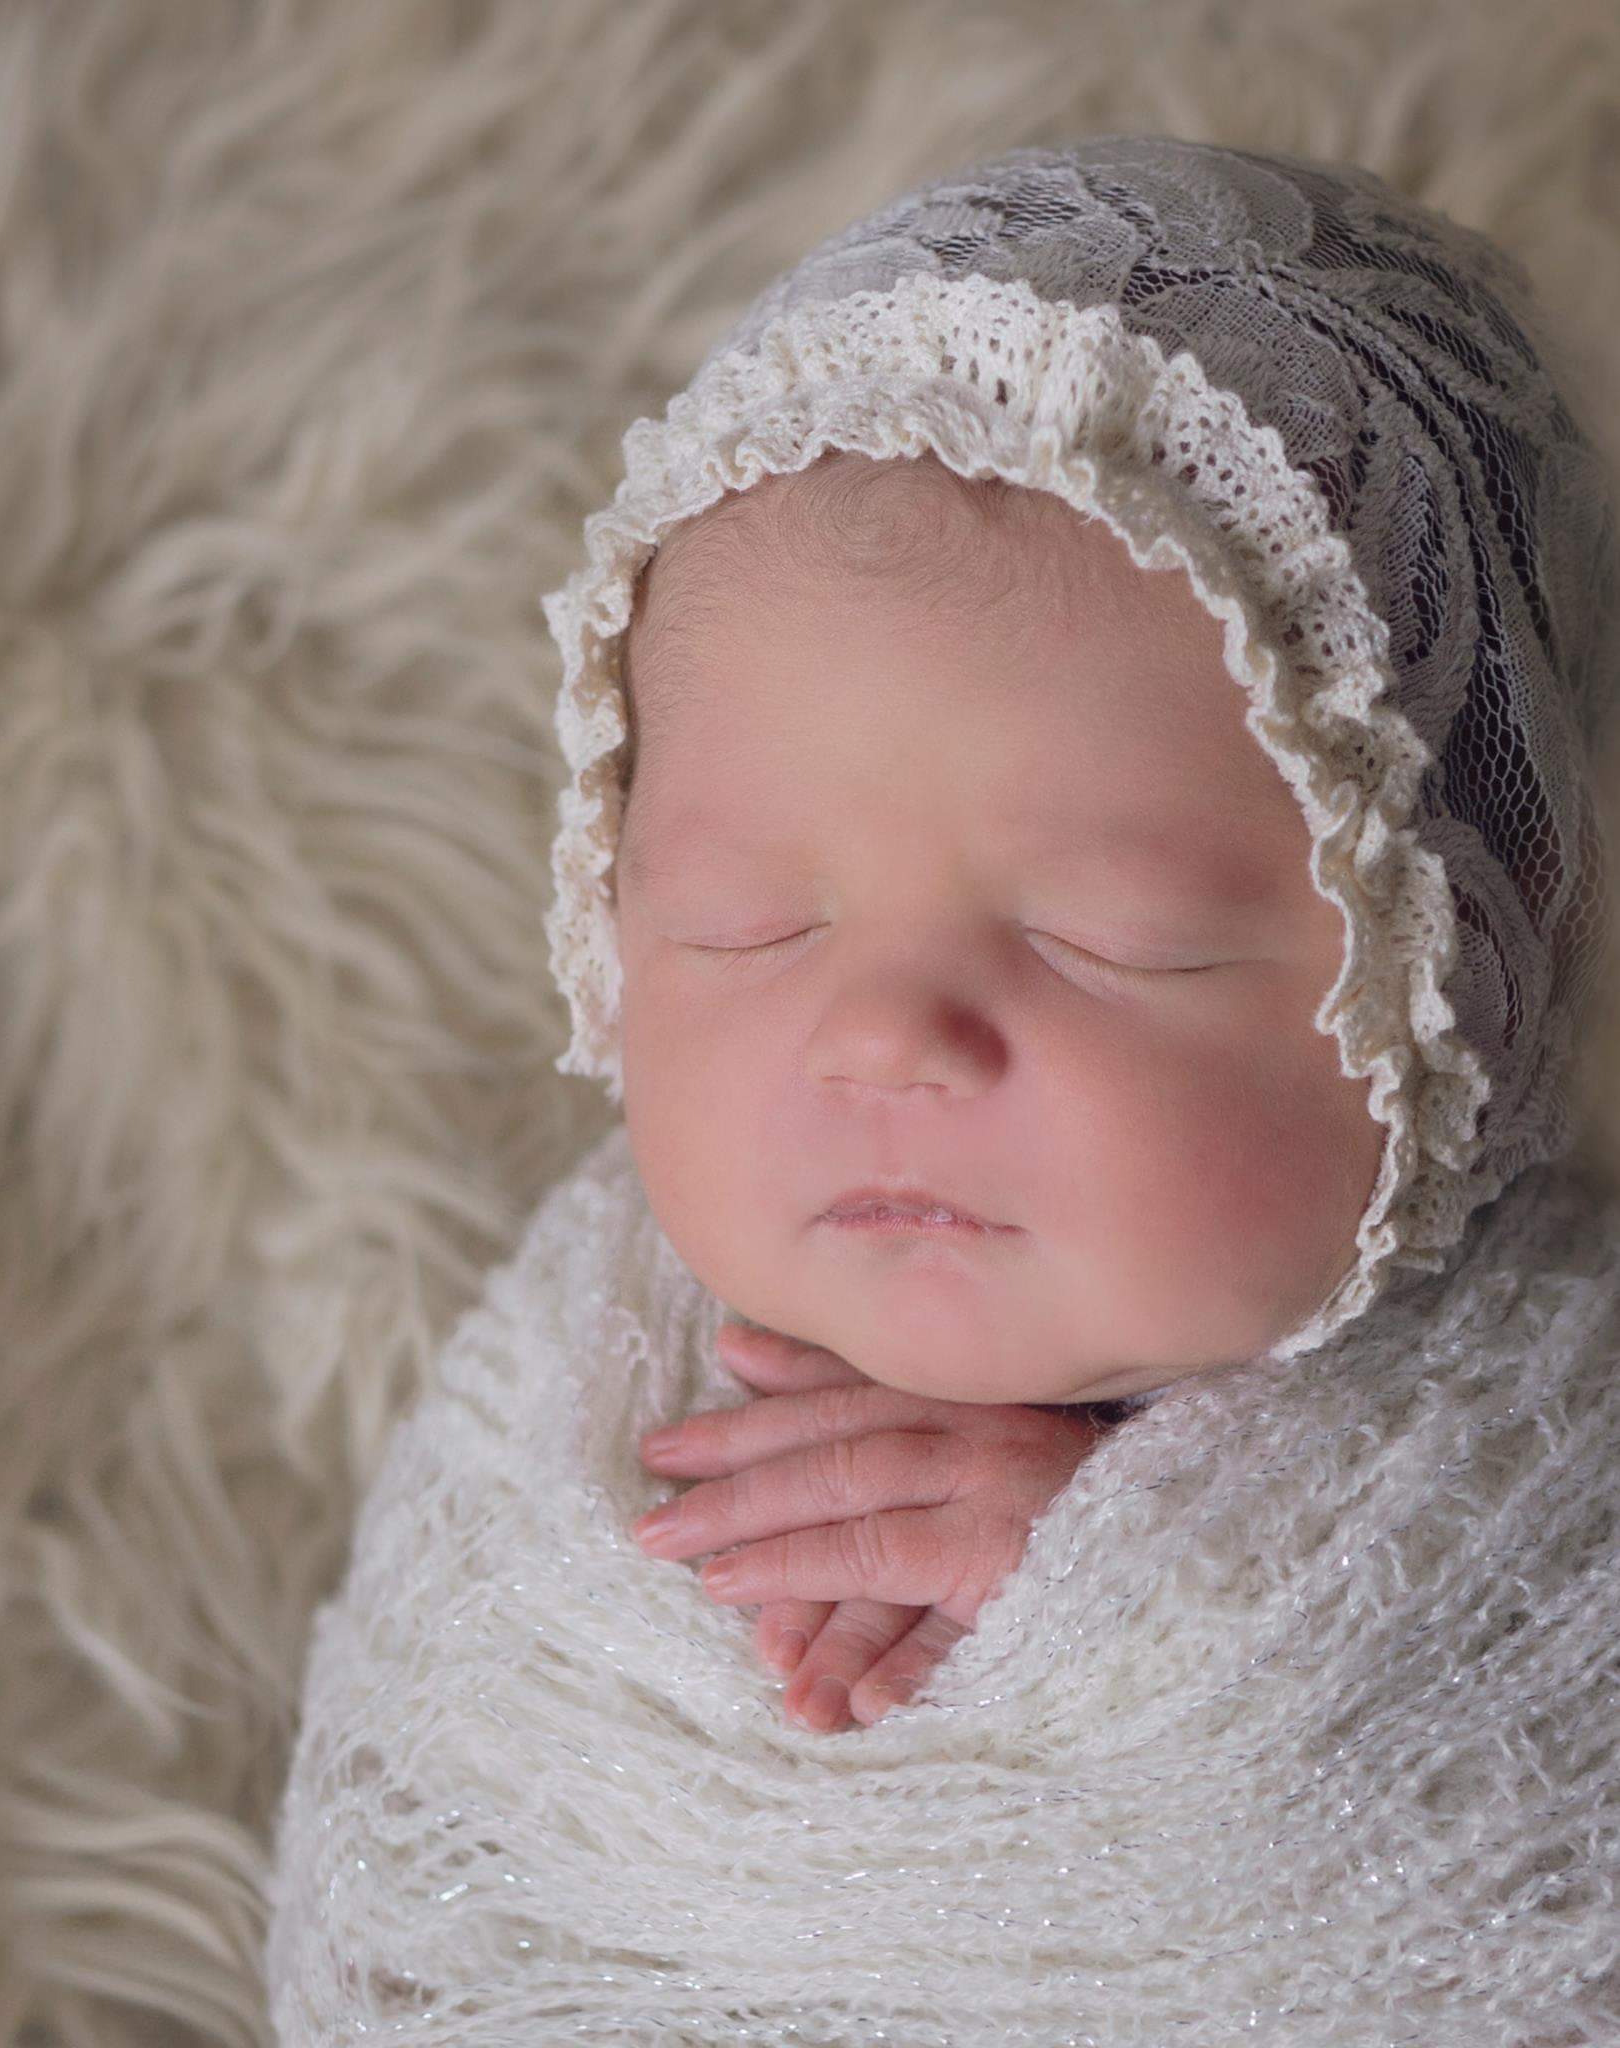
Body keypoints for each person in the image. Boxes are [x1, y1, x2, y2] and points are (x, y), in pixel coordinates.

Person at [264, 136, 1620, 2043]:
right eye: (743, 926)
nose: (885, 1036)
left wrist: (1169, 1602)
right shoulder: (576, 1384)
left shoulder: (1546, 1445)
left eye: (1111, 938)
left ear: (1466, 952)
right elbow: (421, 1875)